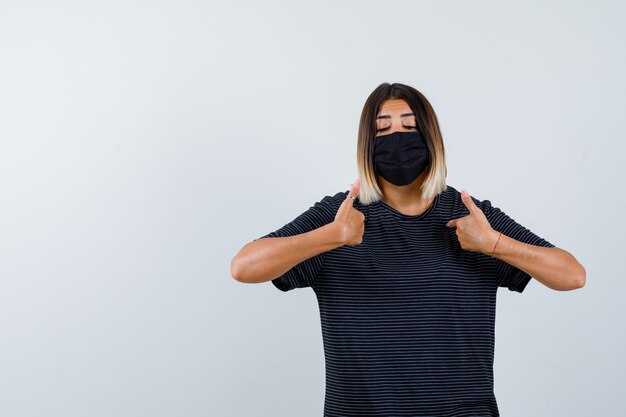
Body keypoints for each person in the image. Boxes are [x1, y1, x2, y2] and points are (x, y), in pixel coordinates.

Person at [230, 82, 586, 417]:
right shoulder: (342, 217)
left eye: (409, 127)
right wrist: (330, 236)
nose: (396, 139)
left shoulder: (470, 217)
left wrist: (493, 244)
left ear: (431, 138)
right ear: (366, 144)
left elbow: (572, 275)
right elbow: (244, 267)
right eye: (382, 130)